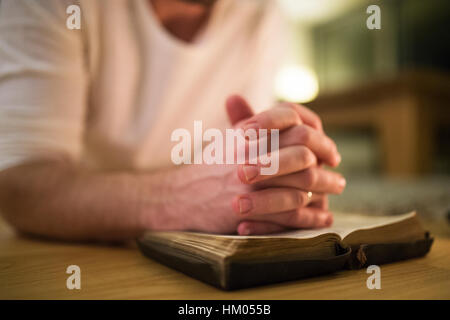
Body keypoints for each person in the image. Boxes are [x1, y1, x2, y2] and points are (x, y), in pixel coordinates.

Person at [0, 0, 345, 241]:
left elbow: (238, 172)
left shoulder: (263, 13)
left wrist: (281, 183)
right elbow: (18, 186)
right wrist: (181, 200)